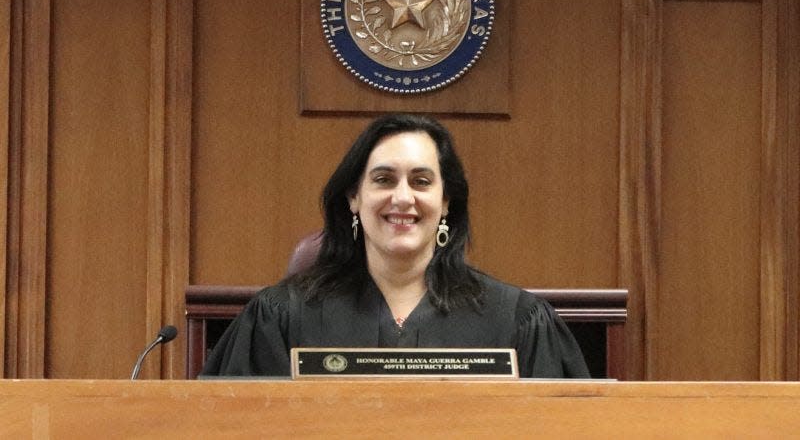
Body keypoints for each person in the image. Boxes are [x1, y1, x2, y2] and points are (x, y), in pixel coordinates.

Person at [202, 114, 589, 378]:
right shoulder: (281, 318)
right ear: (354, 196)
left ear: (446, 201)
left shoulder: (516, 320)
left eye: (421, 182)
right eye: (384, 180)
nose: (402, 198)